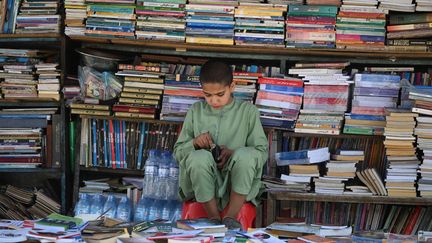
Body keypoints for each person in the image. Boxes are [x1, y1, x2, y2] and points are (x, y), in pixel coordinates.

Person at [173, 60, 268, 230]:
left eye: (220, 94)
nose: (214, 100)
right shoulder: (196, 111)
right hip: (201, 184)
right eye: (208, 95)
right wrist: (194, 143)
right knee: (198, 157)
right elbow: (178, 152)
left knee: (246, 155)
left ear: (232, 86)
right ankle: (213, 217)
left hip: (237, 180)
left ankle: (231, 216)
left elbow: (261, 153)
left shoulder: (248, 112)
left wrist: (233, 153)